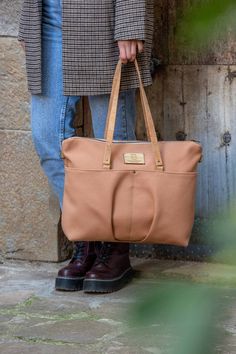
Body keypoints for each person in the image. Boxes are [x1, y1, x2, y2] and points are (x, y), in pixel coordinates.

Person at [18, 0, 154, 293]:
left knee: (114, 142)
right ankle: (88, 238)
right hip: (48, 20)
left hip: (102, 17)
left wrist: (130, 21)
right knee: (48, 139)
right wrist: (27, 24)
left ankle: (114, 246)